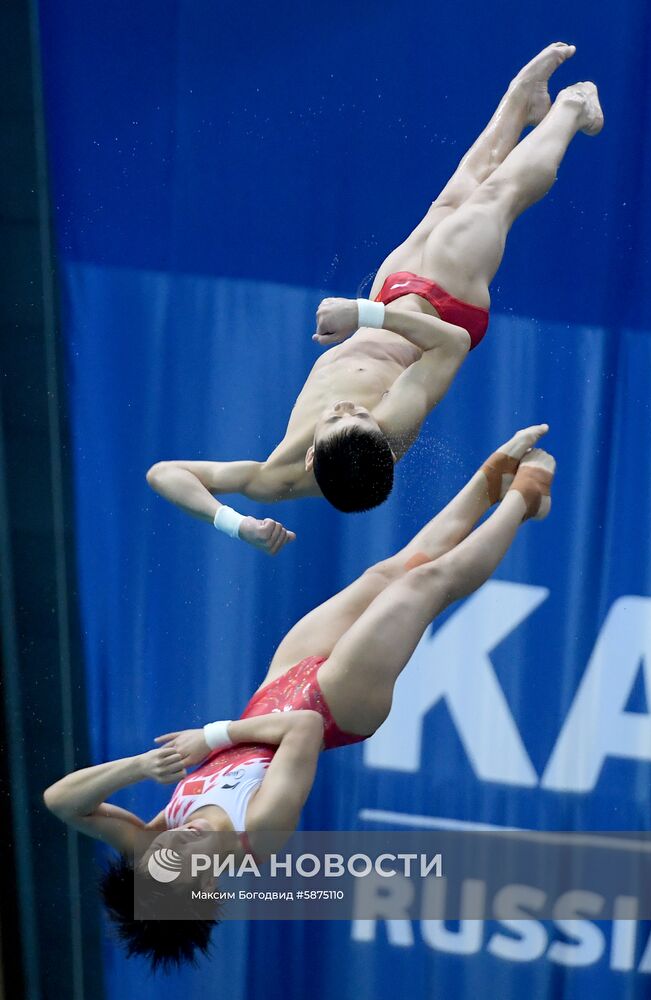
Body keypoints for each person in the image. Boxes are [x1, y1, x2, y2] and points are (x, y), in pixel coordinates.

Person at [45, 426, 554, 968]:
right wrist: (211, 737)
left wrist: (145, 765)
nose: (177, 844)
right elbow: (303, 731)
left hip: (279, 685)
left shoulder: (153, 847)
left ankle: (488, 482)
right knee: (423, 586)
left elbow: (61, 801)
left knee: (390, 572)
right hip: (336, 708)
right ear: (209, 891)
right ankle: (522, 500)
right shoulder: (257, 837)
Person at [145, 44, 599, 555]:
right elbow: (448, 345)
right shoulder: (393, 425)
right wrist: (360, 313)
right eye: (356, 416)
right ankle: (572, 109)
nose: (345, 407)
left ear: (312, 455)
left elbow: (166, 473)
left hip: (392, 295)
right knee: (493, 199)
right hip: (447, 309)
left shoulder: (275, 477)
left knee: (454, 195)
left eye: (339, 418)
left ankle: (523, 100)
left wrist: (237, 524)